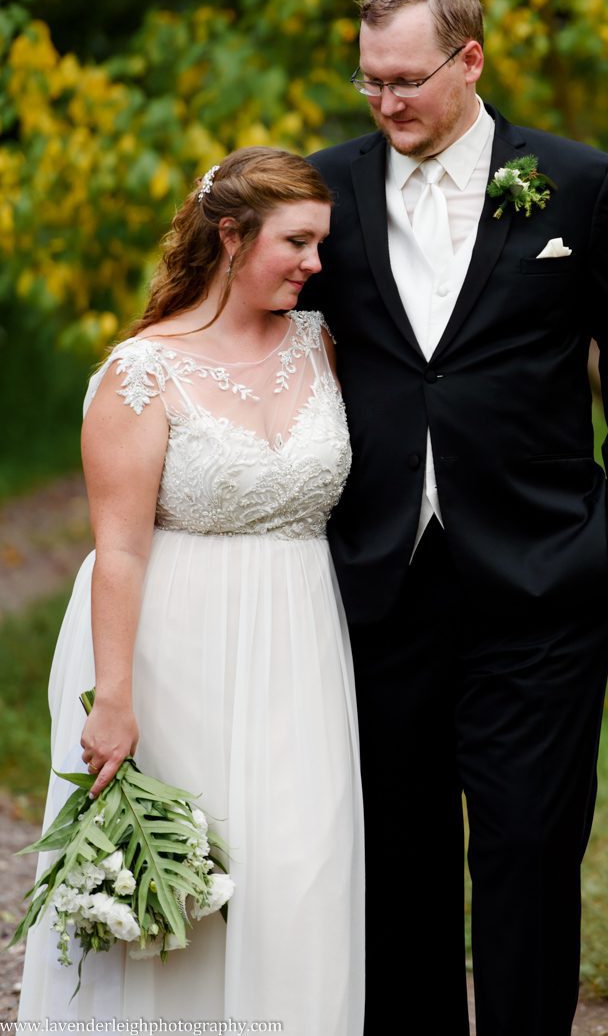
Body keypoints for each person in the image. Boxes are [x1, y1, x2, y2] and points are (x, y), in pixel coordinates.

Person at [304, 0, 608, 1036]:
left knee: (527, 850)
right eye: (370, 80)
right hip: (381, 583)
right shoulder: (326, 190)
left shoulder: (577, 183)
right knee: (400, 860)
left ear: (471, 59)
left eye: (408, 80)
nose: (386, 103)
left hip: (544, 584)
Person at [17, 148, 364, 1035]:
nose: (315, 263)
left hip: (302, 643)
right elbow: (120, 550)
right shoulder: (142, 372)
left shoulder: (321, 342)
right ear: (230, 235)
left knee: (300, 872)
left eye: (320, 244)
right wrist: (116, 700)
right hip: (177, 653)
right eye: (297, 242)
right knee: (184, 884)